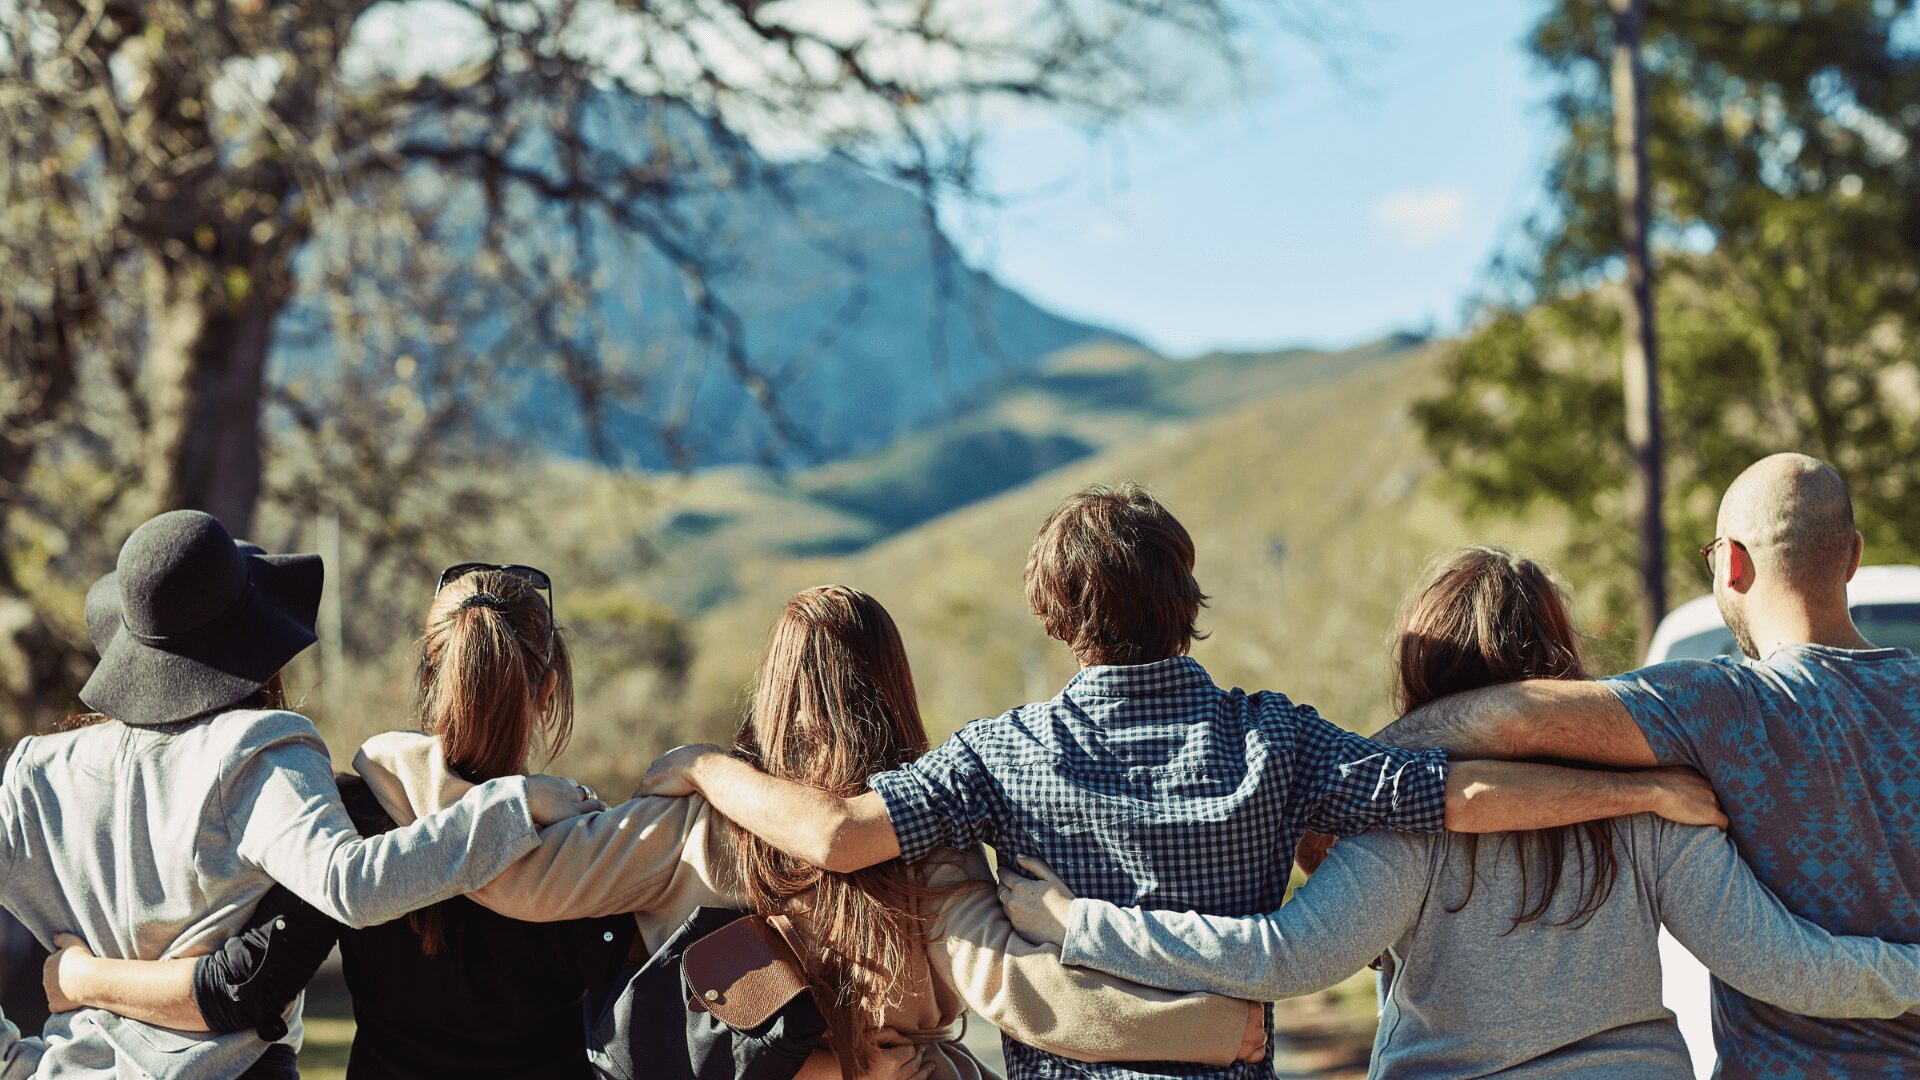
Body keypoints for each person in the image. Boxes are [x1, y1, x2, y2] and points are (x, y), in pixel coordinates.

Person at [638, 484, 1728, 1079]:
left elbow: (836, 835)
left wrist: (704, 765)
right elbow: (1460, 796)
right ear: (1186, 597)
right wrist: (1635, 793)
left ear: (1054, 617)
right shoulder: (1276, 741)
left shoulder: (1001, 756)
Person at [52, 584, 1266, 1079]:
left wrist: (422, 773)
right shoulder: (932, 837)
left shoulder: (696, 829)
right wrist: (1213, 1022)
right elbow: (1020, 992)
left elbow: (518, 885)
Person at [996, 546, 1920, 1077]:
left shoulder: (1404, 822)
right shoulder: (1656, 804)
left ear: (1422, 669)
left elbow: (1282, 958)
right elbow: (1790, 968)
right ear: (1560, 660)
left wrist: (1083, 926)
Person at [1368, 453, 1920, 1076]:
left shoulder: (1717, 710)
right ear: (1853, 556)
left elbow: (1514, 720)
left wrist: (1356, 765)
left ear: (1732, 564)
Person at [0, 511, 595, 1079]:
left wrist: (20, 1056)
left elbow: (249, 976)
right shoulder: (262, 751)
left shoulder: (37, 771)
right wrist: (513, 806)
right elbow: (339, 895)